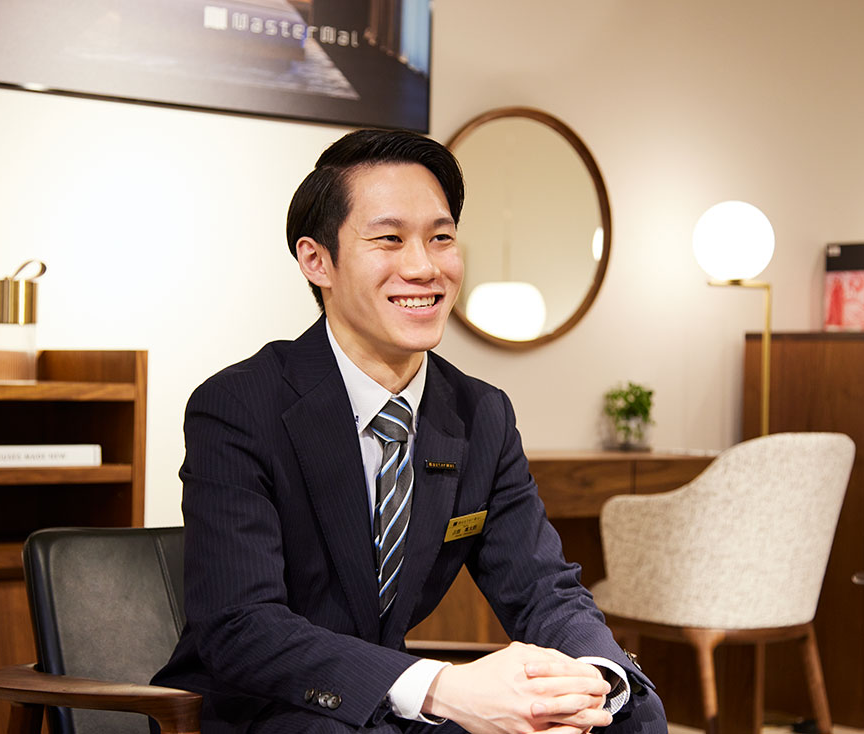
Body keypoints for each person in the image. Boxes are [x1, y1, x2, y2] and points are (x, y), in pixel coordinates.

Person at [152, 129, 667, 734]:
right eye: (389, 239)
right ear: (317, 261)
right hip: (266, 707)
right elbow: (242, 627)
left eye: (441, 238)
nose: (424, 267)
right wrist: (444, 687)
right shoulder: (239, 406)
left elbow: (542, 588)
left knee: (626, 713)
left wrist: (592, 678)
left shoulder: (481, 414)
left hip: (391, 708)